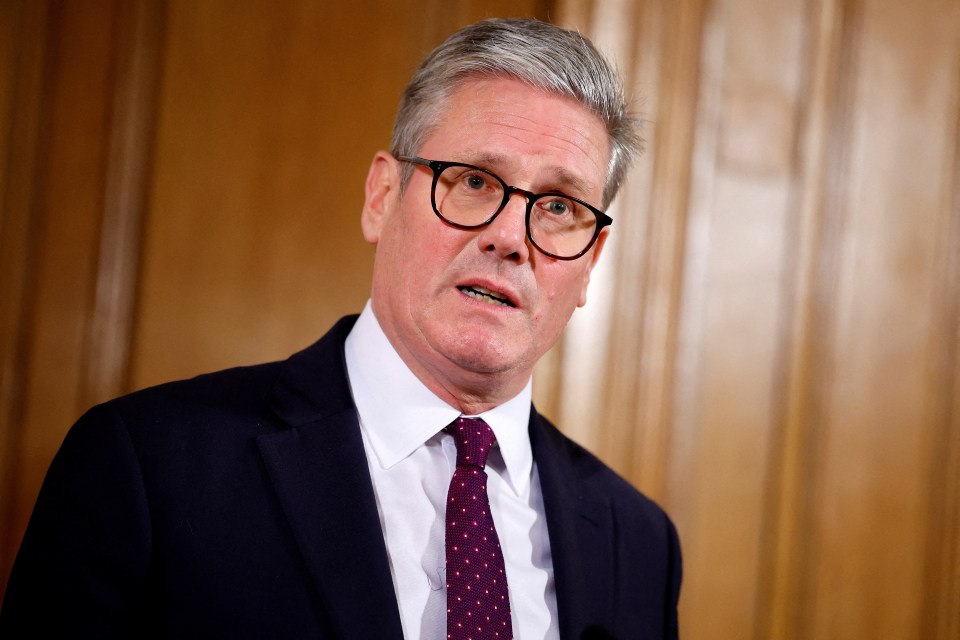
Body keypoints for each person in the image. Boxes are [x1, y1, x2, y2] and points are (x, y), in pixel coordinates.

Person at [0, 17, 680, 639]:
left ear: (590, 263)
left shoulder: (639, 543)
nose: (510, 237)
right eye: (474, 180)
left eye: (559, 205)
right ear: (383, 198)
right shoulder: (149, 466)